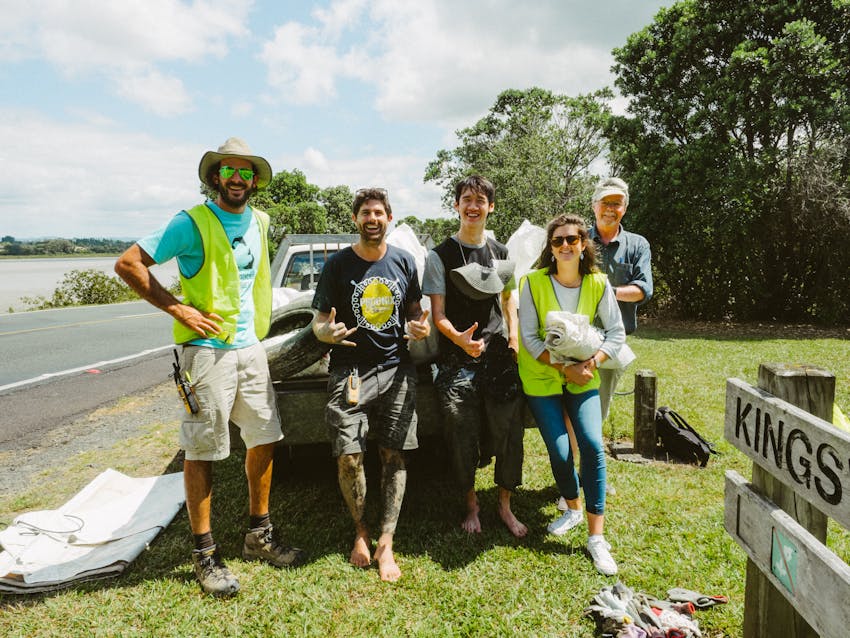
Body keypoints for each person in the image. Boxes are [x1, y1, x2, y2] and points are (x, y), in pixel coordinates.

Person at [115, 137, 305, 597]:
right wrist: (178, 309)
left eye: (246, 172)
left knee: (265, 437)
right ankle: (204, 555)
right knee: (202, 450)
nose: (237, 179)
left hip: (250, 348)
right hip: (204, 351)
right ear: (215, 176)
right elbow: (128, 263)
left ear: (254, 180)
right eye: (229, 171)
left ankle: (258, 534)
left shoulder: (260, 220)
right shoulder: (191, 221)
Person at [310, 187, 430, 583]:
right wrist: (326, 333)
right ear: (355, 220)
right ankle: (360, 531)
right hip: (350, 372)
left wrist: (420, 325)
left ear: (389, 218)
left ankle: (386, 540)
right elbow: (318, 322)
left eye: (379, 212)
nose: (372, 218)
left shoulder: (403, 261)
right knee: (349, 455)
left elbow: (414, 311)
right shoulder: (337, 266)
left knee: (394, 454)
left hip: (396, 369)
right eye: (365, 212)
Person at [517, 214, 625, 575]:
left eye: (572, 240)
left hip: (584, 377)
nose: (565, 246)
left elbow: (616, 333)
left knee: (592, 445)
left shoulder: (598, 283)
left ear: (583, 245)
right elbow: (529, 339)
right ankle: (573, 507)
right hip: (543, 377)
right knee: (561, 451)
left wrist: (593, 362)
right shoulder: (531, 282)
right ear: (550, 248)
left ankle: (597, 538)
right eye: (558, 240)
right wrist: (565, 368)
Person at [422, 175, 527, 538]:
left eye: (480, 200)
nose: (473, 206)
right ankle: (471, 503)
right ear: (456, 205)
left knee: (510, 426)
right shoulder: (439, 256)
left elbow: (509, 300)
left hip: (497, 355)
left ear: (490, 207)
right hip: (456, 358)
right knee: (459, 426)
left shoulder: (502, 253)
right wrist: (460, 340)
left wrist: (513, 337)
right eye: (467, 199)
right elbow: (438, 315)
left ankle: (504, 503)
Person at [588, 177, 652, 422]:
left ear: (624, 208)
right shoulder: (577, 239)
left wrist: (605, 291)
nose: (610, 209)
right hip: (574, 337)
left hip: (611, 343)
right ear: (594, 205)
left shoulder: (637, 245)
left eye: (617, 204)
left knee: (596, 413)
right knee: (567, 409)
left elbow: (643, 290)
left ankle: (586, 458)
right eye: (605, 202)